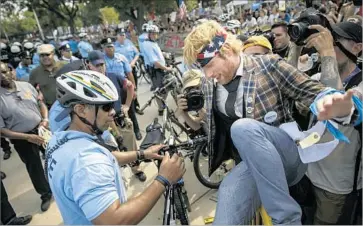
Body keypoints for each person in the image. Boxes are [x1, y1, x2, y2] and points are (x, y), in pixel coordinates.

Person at [182, 20, 362, 224]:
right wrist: (188, 113)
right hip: (251, 165)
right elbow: (211, 127)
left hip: (286, 156)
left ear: (225, 51)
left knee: (242, 128)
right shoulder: (209, 83)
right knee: (225, 213)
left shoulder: (269, 65)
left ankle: (286, 219)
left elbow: (316, 92)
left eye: (209, 66)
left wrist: (346, 109)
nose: (208, 75)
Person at [46, 70, 185, 224]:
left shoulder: (60, 139)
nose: (113, 112)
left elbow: (108, 157)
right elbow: (114, 221)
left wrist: (142, 154)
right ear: (81, 110)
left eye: (112, 105)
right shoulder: (87, 162)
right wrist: (163, 179)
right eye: (106, 107)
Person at [303, 19, 362, 225]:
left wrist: (327, 54)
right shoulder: (321, 75)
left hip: (336, 185)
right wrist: (296, 42)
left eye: (337, 42)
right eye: (330, 41)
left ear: (358, 47)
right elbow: (288, 88)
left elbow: (334, 105)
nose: (331, 46)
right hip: (310, 173)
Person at [0, 62, 53, 212]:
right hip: (22, 139)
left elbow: (40, 103)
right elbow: (2, 131)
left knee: (54, 157)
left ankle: (61, 184)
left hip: (42, 129)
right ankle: (45, 194)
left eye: (5, 71)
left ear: (11, 71)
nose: (3, 76)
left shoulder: (25, 86)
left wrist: (45, 120)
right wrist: (27, 137)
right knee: (34, 167)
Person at [101, 37, 142, 141]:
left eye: (111, 46)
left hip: (124, 87)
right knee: (115, 112)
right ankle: (119, 133)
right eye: (107, 47)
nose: (110, 49)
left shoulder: (121, 58)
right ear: (104, 48)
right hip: (111, 90)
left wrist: (134, 88)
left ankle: (136, 131)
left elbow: (129, 73)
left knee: (131, 110)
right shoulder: (102, 61)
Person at [143, 25, 173, 115]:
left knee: (165, 87)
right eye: (153, 34)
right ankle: (162, 109)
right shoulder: (147, 44)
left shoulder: (153, 43)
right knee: (159, 89)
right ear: (149, 34)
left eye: (156, 34)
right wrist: (166, 68)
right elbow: (154, 61)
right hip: (155, 70)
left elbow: (158, 54)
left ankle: (162, 106)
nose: (155, 35)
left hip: (159, 69)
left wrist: (164, 54)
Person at [114, 29, 143, 116]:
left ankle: (136, 106)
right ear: (117, 36)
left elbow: (137, 53)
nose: (122, 36)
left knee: (134, 88)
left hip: (131, 69)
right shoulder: (114, 47)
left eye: (123, 35)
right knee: (124, 91)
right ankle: (127, 108)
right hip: (122, 72)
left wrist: (133, 62)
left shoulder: (129, 43)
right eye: (120, 35)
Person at [29, 44, 65, 109]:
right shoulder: (35, 72)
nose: (45, 57)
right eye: (42, 55)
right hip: (51, 109)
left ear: (53, 54)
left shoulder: (64, 66)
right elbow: (30, 91)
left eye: (47, 55)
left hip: (70, 105)